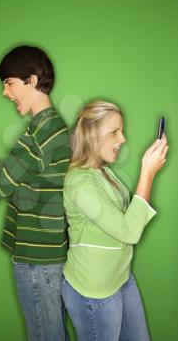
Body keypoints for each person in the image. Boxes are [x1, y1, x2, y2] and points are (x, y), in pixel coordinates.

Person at [0, 45, 70, 341]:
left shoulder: (40, 133)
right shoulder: (53, 127)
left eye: (9, 83)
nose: (5, 92)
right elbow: (19, 184)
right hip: (47, 258)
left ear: (31, 80)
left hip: (37, 262)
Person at [61, 100, 168, 341]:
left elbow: (127, 218)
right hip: (94, 292)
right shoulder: (79, 183)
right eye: (115, 132)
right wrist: (147, 173)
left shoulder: (103, 171)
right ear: (92, 135)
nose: (123, 139)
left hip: (121, 277)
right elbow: (129, 231)